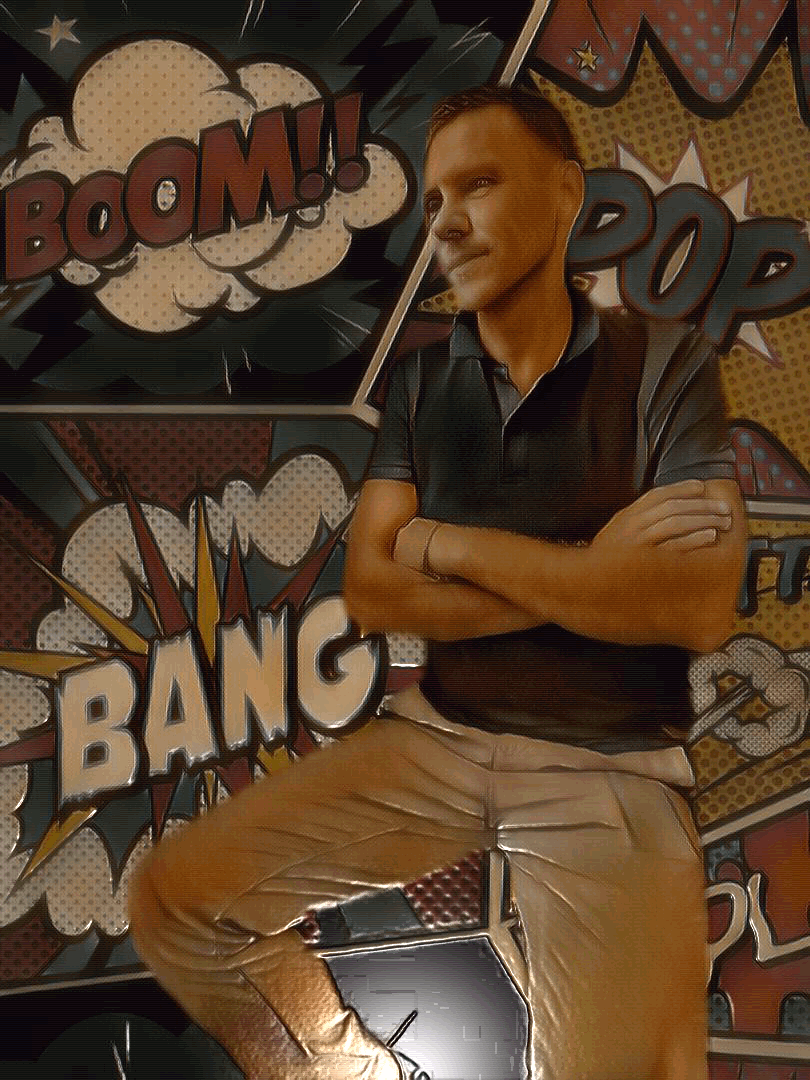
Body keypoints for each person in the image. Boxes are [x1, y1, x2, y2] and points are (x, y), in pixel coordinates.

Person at [128, 86, 748, 1080]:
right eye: (433, 200)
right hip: (441, 740)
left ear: (565, 193)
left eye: (480, 185)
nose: (447, 222)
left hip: (609, 770)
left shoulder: (665, 365)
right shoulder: (423, 382)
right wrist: (598, 574)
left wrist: (444, 543)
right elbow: (376, 593)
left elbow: (701, 604)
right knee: (176, 901)